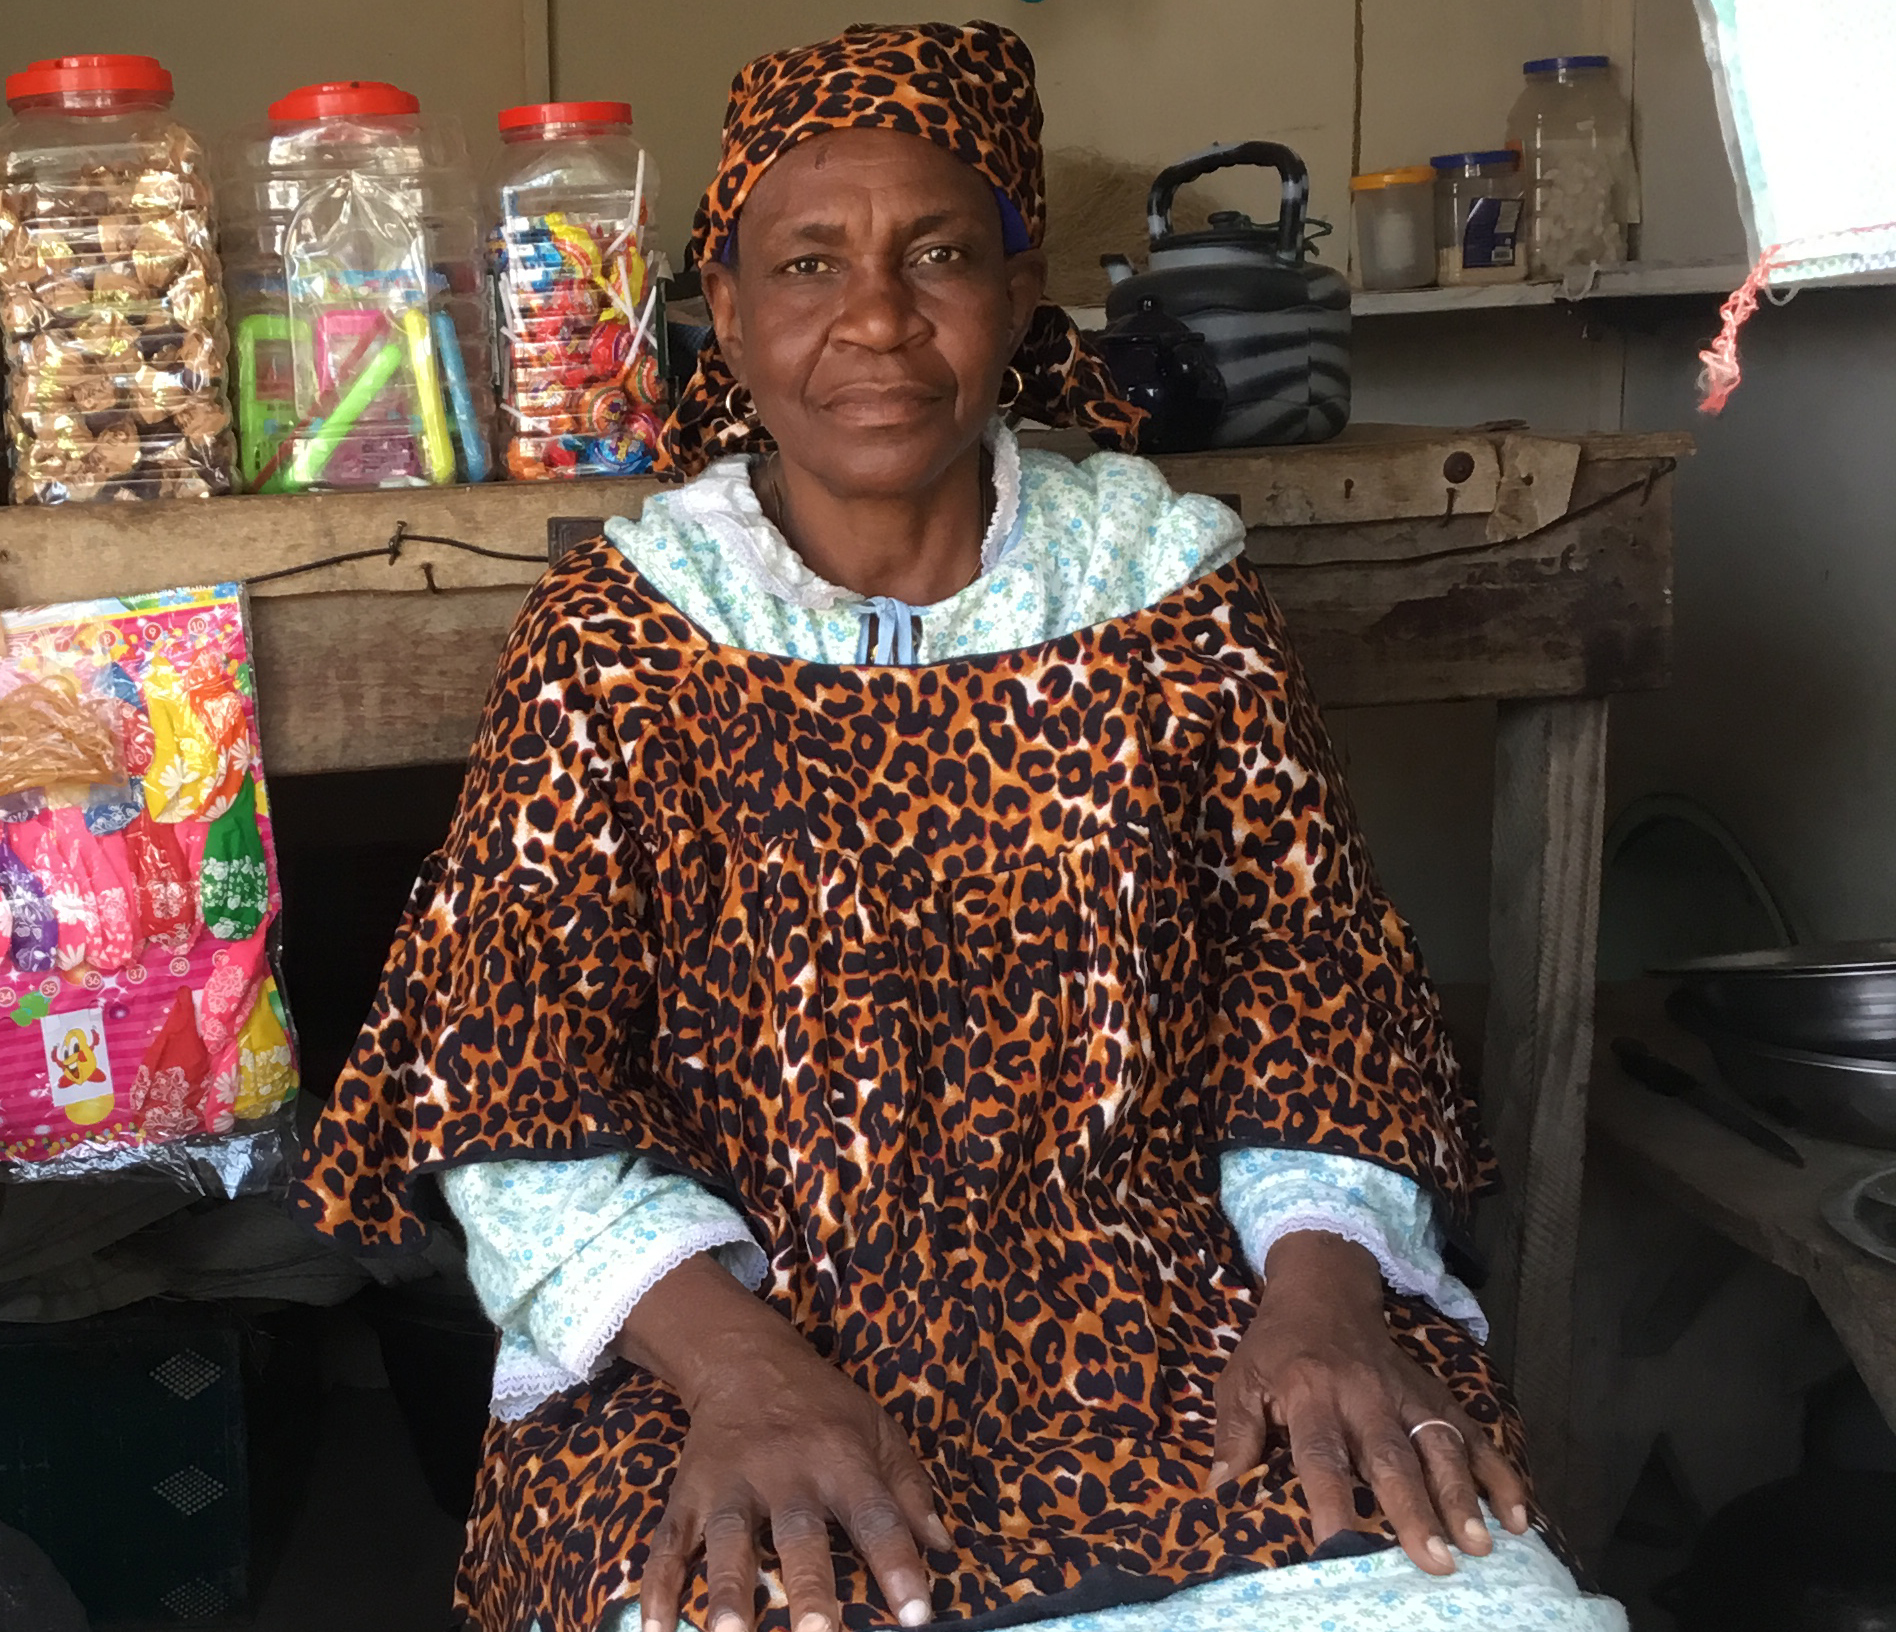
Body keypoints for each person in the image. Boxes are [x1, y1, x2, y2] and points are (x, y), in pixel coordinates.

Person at [294, 21, 1625, 1632]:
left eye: (936, 252)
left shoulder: (1163, 596)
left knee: (1481, 1597)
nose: (873, 318)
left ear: (1015, 285)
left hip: (1180, 1329)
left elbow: (1317, 988)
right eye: (805, 264)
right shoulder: (629, 635)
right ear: (724, 307)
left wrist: (1328, 1297)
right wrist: (749, 1376)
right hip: (722, 1345)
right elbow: (508, 1091)